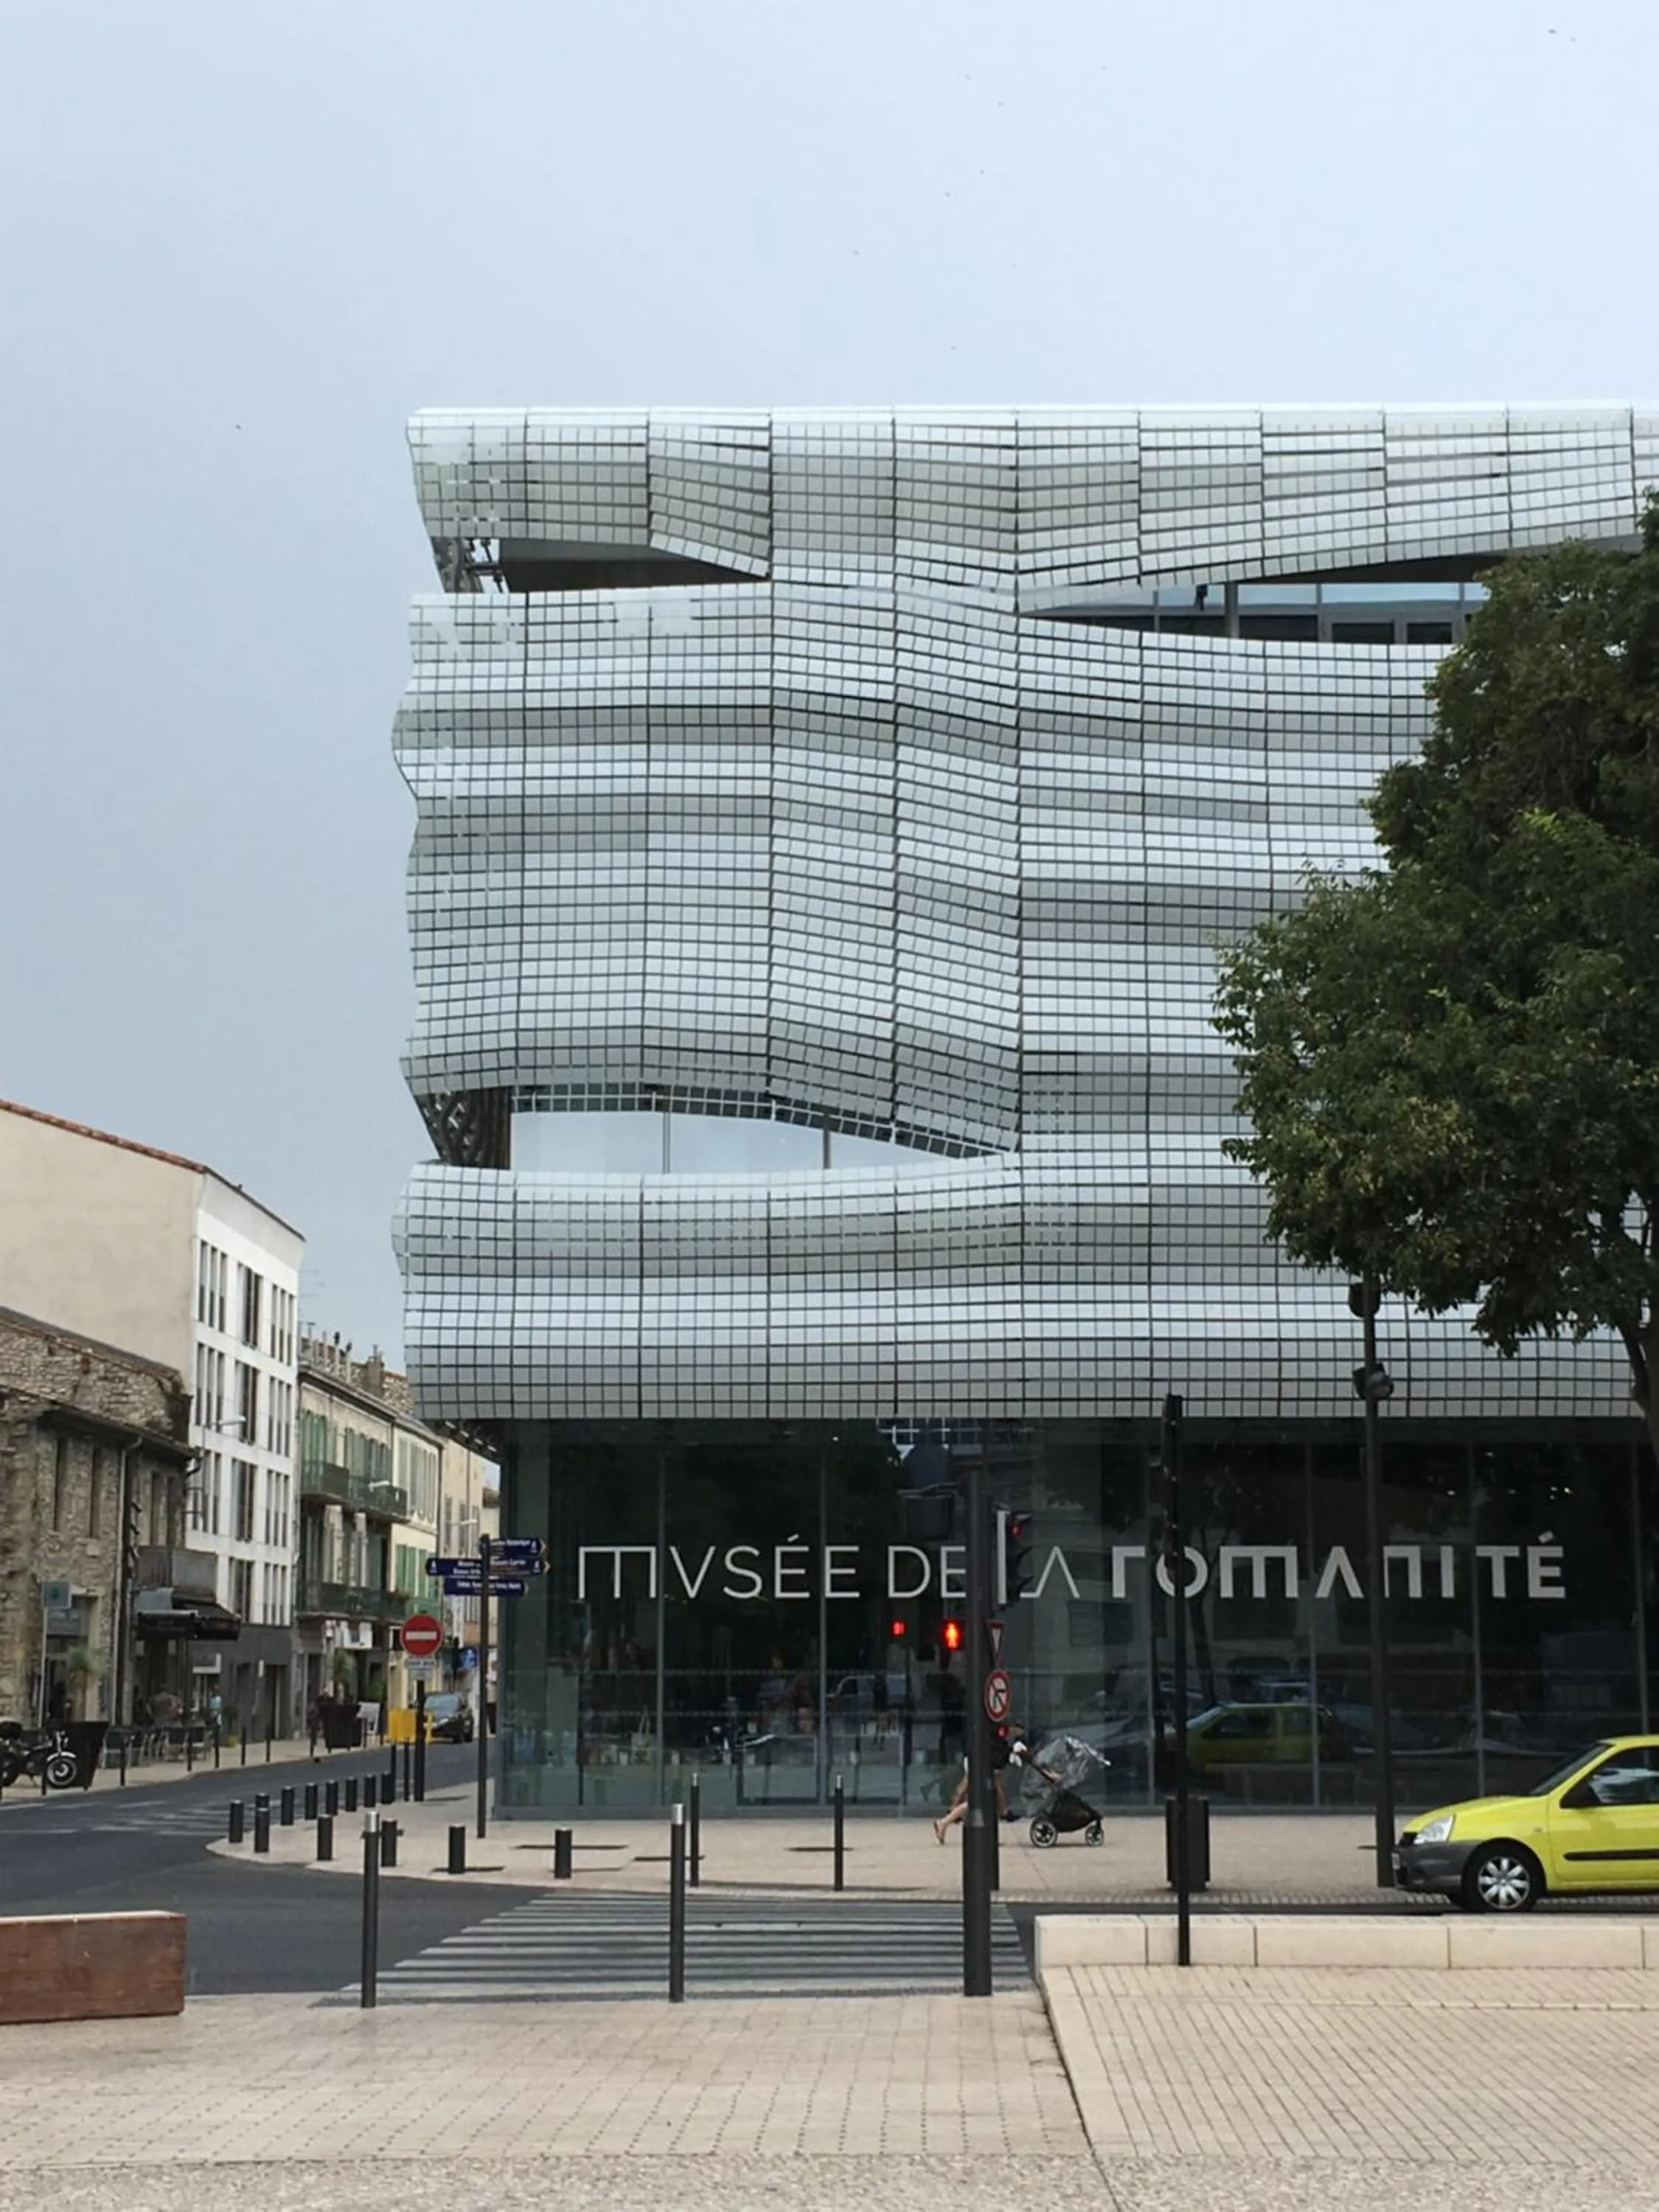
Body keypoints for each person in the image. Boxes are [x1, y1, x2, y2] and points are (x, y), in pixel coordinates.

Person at [933, 1728, 1029, 1842]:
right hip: (982, 1767)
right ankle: (945, 1821)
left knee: (980, 1800)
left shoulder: (994, 1734)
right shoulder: (994, 1733)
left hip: (982, 1765)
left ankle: (947, 1820)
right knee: (978, 1801)